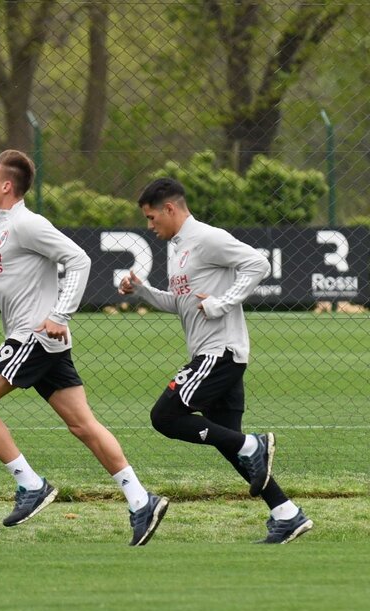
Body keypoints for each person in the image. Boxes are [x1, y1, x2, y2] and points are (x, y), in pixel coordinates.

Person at [0, 149, 168, 546]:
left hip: (33, 338)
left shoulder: (27, 223)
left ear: (7, 186)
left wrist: (60, 316)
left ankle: (30, 485)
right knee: (83, 424)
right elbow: (0, 291)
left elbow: (78, 260)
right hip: (40, 342)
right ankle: (140, 500)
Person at [120, 177, 313, 544]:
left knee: (165, 416)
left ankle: (255, 445)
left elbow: (257, 264)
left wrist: (222, 302)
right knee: (228, 442)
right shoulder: (177, 248)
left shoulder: (206, 238)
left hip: (219, 353)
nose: (149, 226)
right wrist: (143, 291)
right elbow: (180, 304)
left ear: (170, 209)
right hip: (211, 353)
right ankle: (287, 514)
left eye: (150, 217)